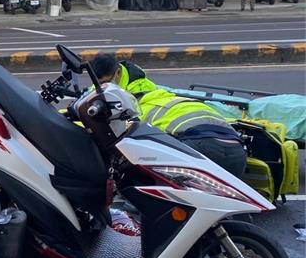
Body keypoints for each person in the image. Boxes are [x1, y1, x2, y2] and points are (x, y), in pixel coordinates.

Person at [90, 55, 247, 176]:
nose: (103, 86)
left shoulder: (129, 106)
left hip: (199, 145)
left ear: (117, 73)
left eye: (105, 82)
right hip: (237, 149)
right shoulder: (154, 91)